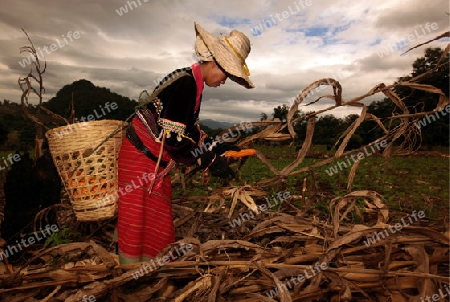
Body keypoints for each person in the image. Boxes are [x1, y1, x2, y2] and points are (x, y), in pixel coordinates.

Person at [116, 22, 254, 264]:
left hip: (151, 162)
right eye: (226, 74)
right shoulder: (186, 84)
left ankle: (150, 270)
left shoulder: (192, 81)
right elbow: (174, 140)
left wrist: (218, 146)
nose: (225, 81)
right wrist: (210, 161)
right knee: (138, 221)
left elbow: (188, 130)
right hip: (141, 160)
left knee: (155, 218)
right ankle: (130, 276)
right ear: (214, 63)